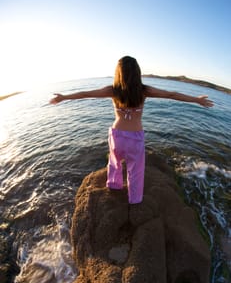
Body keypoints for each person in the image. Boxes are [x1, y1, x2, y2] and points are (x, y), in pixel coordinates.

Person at [49, 56, 213, 204]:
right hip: (135, 138)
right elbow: (172, 95)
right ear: (137, 73)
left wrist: (63, 97)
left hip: (117, 135)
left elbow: (85, 94)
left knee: (114, 162)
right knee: (136, 170)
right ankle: (134, 199)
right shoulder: (144, 91)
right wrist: (196, 100)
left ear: (118, 73)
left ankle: (114, 185)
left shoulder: (113, 90)